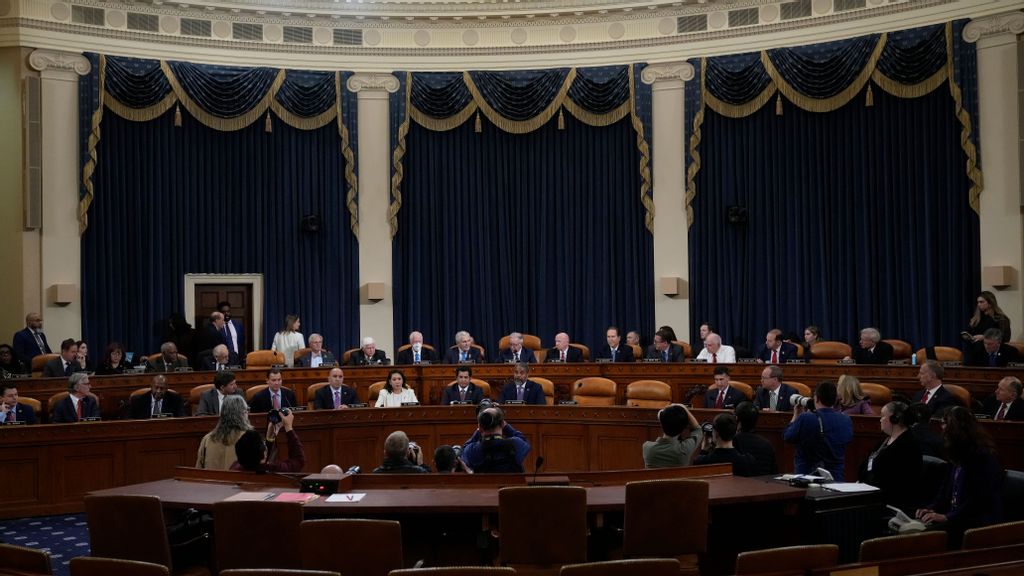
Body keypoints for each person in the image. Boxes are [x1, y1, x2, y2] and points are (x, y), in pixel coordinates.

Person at [916, 407, 1004, 547]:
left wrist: (947, 516)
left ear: (955, 429)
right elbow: (946, 490)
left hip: (974, 520)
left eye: (945, 424)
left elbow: (978, 499)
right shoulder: (957, 454)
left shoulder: (981, 457)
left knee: (923, 539)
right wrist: (932, 508)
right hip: (956, 516)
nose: (942, 429)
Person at [858, 401, 923, 513]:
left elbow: (895, 480)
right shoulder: (885, 441)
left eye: (883, 416)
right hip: (874, 494)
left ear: (895, 419)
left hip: (893, 503)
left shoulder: (908, 445)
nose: (880, 419)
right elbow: (867, 464)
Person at [783, 380, 853, 480]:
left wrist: (795, 416)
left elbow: (787, 437)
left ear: (816, 398)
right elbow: (847, 440)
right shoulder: (846, 419)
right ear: (835, 399)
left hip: (807, 477)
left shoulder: (806, 418)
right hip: (835, 478)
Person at [461, 404, 531, 472]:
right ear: (502, 424)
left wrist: (479, 430)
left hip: (485, 484)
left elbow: (463, 451)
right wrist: (507, 427)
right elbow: (524, 440)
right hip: (511, 484)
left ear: (480, 427)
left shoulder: (472, 450)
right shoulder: (515, 444)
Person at [231, 409, 305, 473]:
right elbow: (298, 461)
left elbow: (260, 458)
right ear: (264, 453)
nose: (264, 446)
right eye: (263, 443)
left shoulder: (235, 468)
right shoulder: (273, 469)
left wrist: (269, 438)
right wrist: (289, 428)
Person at [196, 395, 253, 470]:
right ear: (242, 414)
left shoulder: (207, 439)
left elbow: (198, 469)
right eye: (246, 411)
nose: (247, 414)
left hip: (211, 481)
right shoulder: (250, 439)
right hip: (237, 481)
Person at [643, 403, 702, 468]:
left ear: (662, 424)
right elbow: (698, 429)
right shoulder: (684, 449)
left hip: (656, 479)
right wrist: (683, 408)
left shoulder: (647, 448)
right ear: (683, 428)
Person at [733, 401, 777, 475]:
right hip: (765, 483)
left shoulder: (733, 442)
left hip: (741, 484)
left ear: (737, 419)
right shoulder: (767, 444)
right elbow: (774, 471)